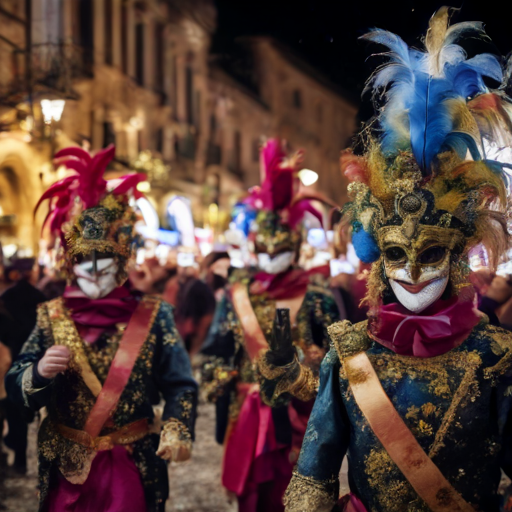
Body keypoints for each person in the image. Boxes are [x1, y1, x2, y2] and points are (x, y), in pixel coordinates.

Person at [261, 9, 512, 511]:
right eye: (397, 252)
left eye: (432, 251)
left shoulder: (495, 356)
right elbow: (314, 470)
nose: (414, 271)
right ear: (377, 257)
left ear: (458, 253)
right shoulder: (348, 350)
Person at [6, 145, 197, 512]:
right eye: (84, 262)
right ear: (70, 264)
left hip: (131, 463)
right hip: (66, 467)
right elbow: (15, 381)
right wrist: (38, 372)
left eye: (105, 262)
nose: (94, 272)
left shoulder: (154, 315)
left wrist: (176, 426)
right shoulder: (50, 315)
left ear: (122, 261)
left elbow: (180, 384)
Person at [202, 139, 340, 512]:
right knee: (252, 498)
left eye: (280, 252)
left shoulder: (317, 297)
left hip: (301, 415)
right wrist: (221, 380)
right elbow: (214, 350)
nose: (271, 259)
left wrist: (311, 369)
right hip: (247, 414)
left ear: (294, 247)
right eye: (264, 251)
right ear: (253, 248)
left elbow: (339, 362)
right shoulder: (237, 294)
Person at [0, 257, 47, 474]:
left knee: (11, 409)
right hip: (32, 360)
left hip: (10, 361)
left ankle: (14, 455)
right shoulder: (40, 298)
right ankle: (20, 459)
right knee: (22, 411)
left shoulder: (7, 298)